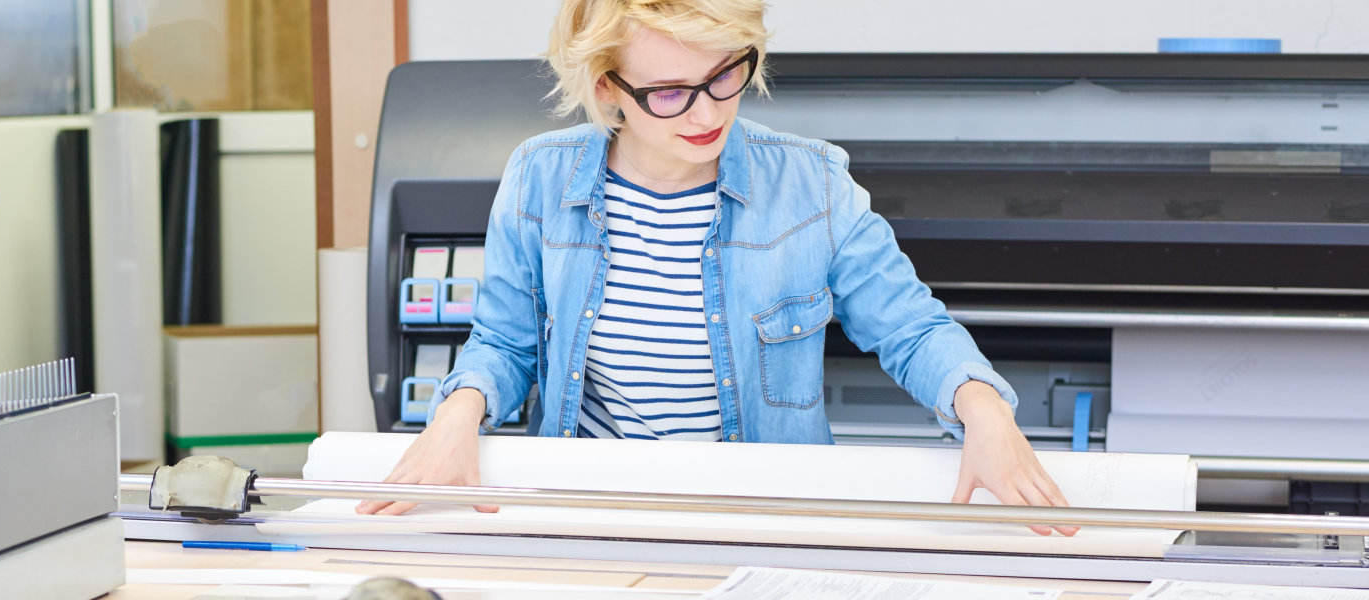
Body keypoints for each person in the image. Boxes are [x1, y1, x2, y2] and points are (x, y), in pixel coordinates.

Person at [355, 0, 1077, 537]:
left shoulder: (812, 184)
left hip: (760, 516)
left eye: (726, 74)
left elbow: (912, 328)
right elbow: (505, 344)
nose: (706, 112)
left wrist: (983, 410)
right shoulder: (540, 181)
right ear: (608, 89)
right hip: (588, 512)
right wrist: (458, 414)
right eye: (669, 92)